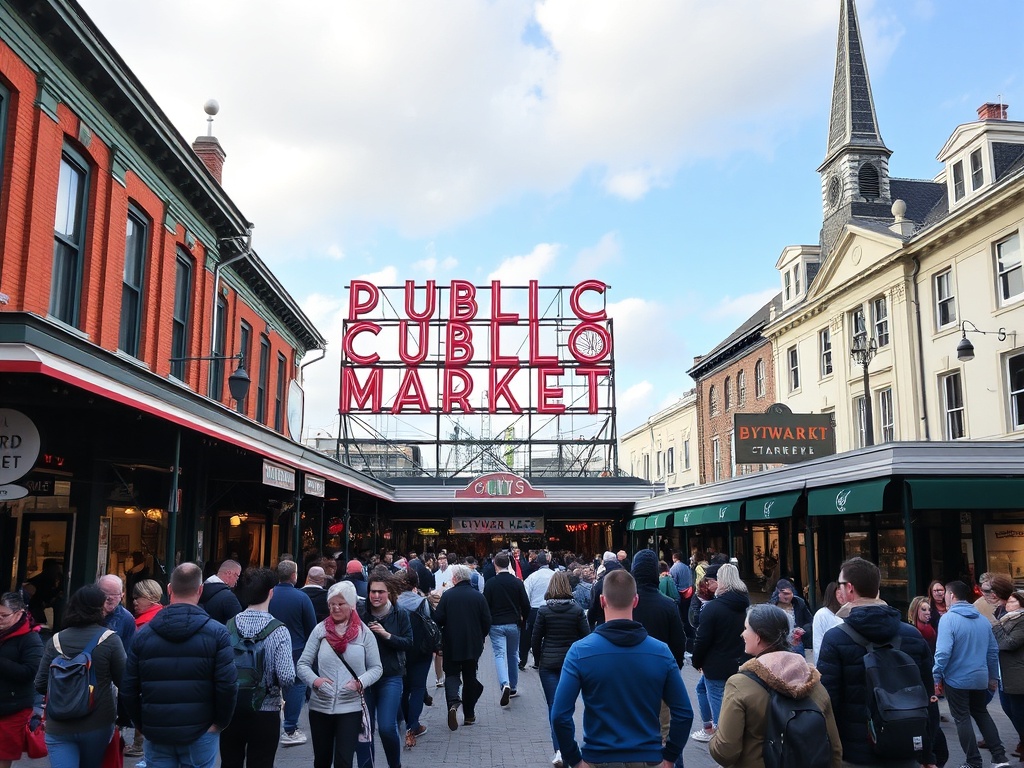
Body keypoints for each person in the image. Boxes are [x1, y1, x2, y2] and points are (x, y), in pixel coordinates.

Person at [551, 569, 692, 768]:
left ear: (602, 601)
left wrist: (574, 759)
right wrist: (670, 756)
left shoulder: (580, 652)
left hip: (598, 756)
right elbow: (684, 713)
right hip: (648, 757)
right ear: (635, 600)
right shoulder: (661, 652)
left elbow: (560, 715)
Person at [817, 557, 936, 768]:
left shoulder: (836, 638)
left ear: (850, 588)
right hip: (905, 745)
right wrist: (927, 753)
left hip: (855, 752)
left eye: (841, 584)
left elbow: (828, 702)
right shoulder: (912, 635)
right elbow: (927, 697)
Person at [120, 562, 237, 768]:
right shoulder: (217, 633)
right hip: (201, 729)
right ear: (200, 590)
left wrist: (142, 724)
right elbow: (227, 685)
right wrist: (220, 723)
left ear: (169, 590)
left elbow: (128, 688)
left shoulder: (144, 634)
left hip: (157, 729)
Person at [710, 603, 842, 768]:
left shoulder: (739, 685)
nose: (742, 634)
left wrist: (714, 737)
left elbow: (726, 752)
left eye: (745, 628)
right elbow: (835, 749)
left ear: (758, 636)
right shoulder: (814, 684)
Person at [36, 584, 126, 766]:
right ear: (100, 608)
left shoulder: (55, 640)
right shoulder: (110, 640)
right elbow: (125, 682)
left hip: (59, 723)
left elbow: (40, 684)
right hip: (97, 722)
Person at [298, 580, 383, 768]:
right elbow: (302, 664)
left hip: (350, 707)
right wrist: (316, 681)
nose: (335, 608)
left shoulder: (364, 633)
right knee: (322, 760)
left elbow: (377, 668)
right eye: (332, 604)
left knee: (344, 760)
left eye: (340, 603)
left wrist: (359, 682)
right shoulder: (320, 630)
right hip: (320, 707)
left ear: (351, 605)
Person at [220, 567, 294, 768]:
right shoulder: (279, 630)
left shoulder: (229, 626)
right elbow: (287, 676)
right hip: (266, 709)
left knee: (230, 761)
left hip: (232, 708)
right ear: (271, 592)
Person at [933, 580, 1010, 768]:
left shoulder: (948, 619)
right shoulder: (982, 620)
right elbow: (992, 651)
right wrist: (993, 677)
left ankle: (973, 761)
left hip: (956, 678)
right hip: (980, 677)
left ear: (951, 596)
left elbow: (943, 652)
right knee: (981, 713)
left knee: (962, 718)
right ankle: (1000, 757)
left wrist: (936, 676)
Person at [355, 571, 413, 768]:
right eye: (372, 591)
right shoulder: (360, 612)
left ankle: (394, 765)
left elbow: (408, 642)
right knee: (365, 729)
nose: (376, 596)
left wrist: (387, 635)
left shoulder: (400, 613)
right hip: (364, 678)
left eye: (381, 592)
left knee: (387, 727)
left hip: (391, 676)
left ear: (389, 593)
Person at [532, 571, 589, 768]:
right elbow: (585, 637)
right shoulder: (577, 610)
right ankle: (569, 748)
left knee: (554, 707)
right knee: (568, 707)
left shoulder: (543, 611)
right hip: (571, 665)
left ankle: (559, 749)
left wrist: (538, 660)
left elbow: (535, 638)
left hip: (548, 664)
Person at [691, 562, 750, 744]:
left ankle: (721, 741)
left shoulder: (713, 608)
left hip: (716, 664)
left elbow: (702, 639)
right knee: (705, 689)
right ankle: (713, 729)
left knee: (719, 707)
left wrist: (696, 661)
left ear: (721, 580)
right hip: (739, 661)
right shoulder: (744, 605)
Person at [434, 564, 491, 731]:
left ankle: (453, 703)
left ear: (455, 578)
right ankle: (469, 715)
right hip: (473, 644)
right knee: (470, 676)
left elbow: (438, 618)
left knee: (451, 673)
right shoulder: (478, 597)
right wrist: (480, 635)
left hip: (451, 642)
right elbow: (487, 620)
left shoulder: (448, 596)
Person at [269, 559, 317, 747]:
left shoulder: (270, 594)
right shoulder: (301, 597)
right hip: (296, 649)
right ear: (294, 576)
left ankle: (274, 725)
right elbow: (311, 627)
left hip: (271, 647)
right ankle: (290, 727)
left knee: (271, 685)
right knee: (296, 686)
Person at [0, 592, 43, 768]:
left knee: (3, 755)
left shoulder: (30, 638)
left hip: (12, 707)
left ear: (19, 613)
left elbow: (30, 672)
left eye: (4, 615)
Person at [124, 578, 164, 759]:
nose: (134, 602)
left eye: (138, 597)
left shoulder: (145, 624)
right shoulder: (159, 616)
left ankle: (140, 744)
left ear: (150, 598)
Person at [483, 552, 530, 706]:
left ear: (495, 564)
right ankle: (514, 686)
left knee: (499, 654)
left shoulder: (490, 583)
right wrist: (523, 620)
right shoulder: (517, 583)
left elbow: (485, 606)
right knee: (512, 654)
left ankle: (505, 683)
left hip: (496, 624)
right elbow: (525, 604)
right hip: (513, 623)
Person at [395, 568, 432, 748]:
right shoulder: (422, 603)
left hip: (399, 650)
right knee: (418, 688)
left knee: (403, 688)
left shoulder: (393, 604)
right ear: (415, 584)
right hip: (420, 651)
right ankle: (413, 725)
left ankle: (405, 720)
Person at [992, 590, 1024, 761]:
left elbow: (1010, 643)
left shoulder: (1022, 620)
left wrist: (997, 628)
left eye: (1012, 602)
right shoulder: (1005, 619)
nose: (1008, 604)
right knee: (1007, 707)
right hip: (1004, 673)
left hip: (1018, 674)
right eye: (1008, 601)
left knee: (1018, 711)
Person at [521, 552, 555, 668]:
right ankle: (544, 660)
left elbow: (526, 595)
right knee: (550, 635)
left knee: (529, 636)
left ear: (537, 563)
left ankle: (524, 660)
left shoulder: (532, 577)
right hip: (552, 608)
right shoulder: (555, 575)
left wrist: (525, 612)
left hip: (535, 609)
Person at [768, 578, 812, 655]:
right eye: (785, 594)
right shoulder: (771, 608)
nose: (787, 597)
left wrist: (803, 630)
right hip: (778, 644)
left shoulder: (799, 603)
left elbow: (810, 620)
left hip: (796, 643)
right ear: (778, 593)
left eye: (790, 593)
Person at [98, 573, 136, 649]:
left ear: (122, 596)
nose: (109, 598)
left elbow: (128, 650)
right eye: (105, 593)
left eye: (114, 594)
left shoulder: (127, 618)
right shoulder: (85, 613)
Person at [199, 559, 243, 624]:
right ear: (229, 573)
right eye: (237, 576)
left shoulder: (199, 591)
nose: (236, 581)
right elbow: (239, 624)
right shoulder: (229, 598)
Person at [811, 581, 844, 665]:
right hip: (828, 661)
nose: (842, 597)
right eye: (839, 594)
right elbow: (817, 643)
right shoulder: (822, 614)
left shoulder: (848, 612)